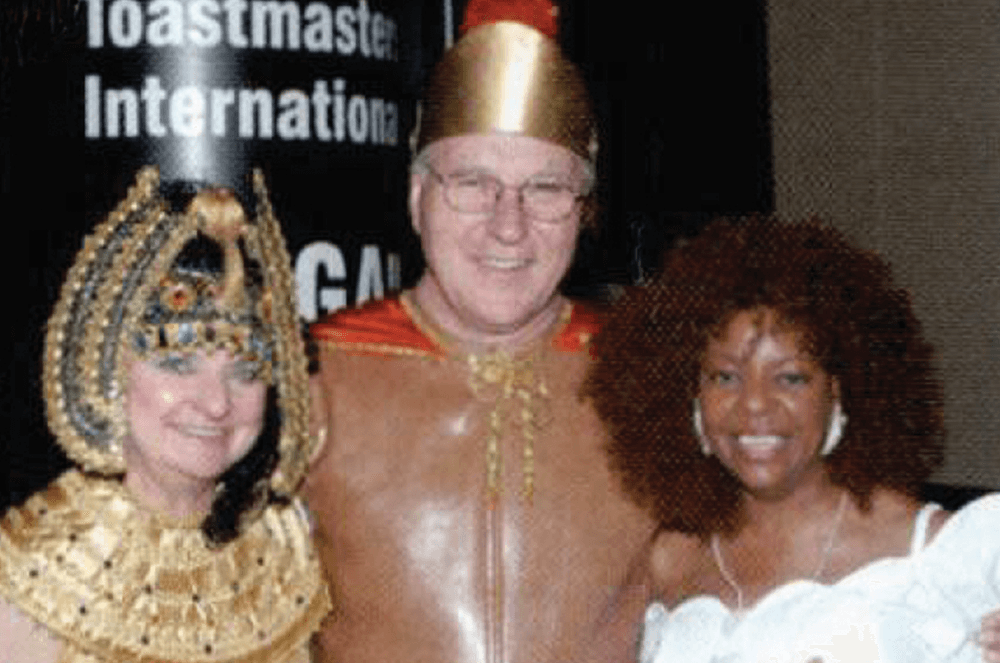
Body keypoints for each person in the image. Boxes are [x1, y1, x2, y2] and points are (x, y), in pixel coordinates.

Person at [304, 1, 656, 661]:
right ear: (416, 197)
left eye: (546, 189)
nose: (508, 225)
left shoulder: (652, 377)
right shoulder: (315, 373)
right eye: (473, 183)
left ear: (584, 212)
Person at [584, 215, 1000, 663]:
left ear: (838, 392)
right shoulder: (667, 559)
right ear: (691, 395)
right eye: (725, 377)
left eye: (791, 378)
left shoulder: (945, 557)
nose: (755, 405)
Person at [0, 166, 330, 662]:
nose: (217, 402)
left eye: (244, 372)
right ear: (108, 370)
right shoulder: (33, 570)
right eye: (177, 364)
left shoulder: (285, 551)